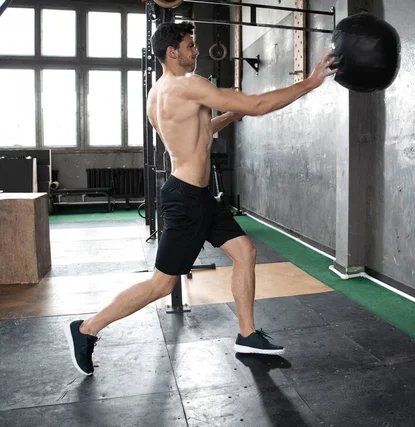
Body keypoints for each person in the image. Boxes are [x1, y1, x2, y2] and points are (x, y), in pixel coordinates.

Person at [64, 21, 337, 375]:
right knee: (162, 284)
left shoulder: (156, 95)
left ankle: (247, 334)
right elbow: (257, 104)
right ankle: (86, 329)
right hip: (186, 199)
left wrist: (228, 116)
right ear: (172, 52)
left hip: (196, 195)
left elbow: (198, 131)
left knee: (244, 251)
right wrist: (311, 83)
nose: (197, 51)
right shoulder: (191, 85)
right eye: (191, 46)